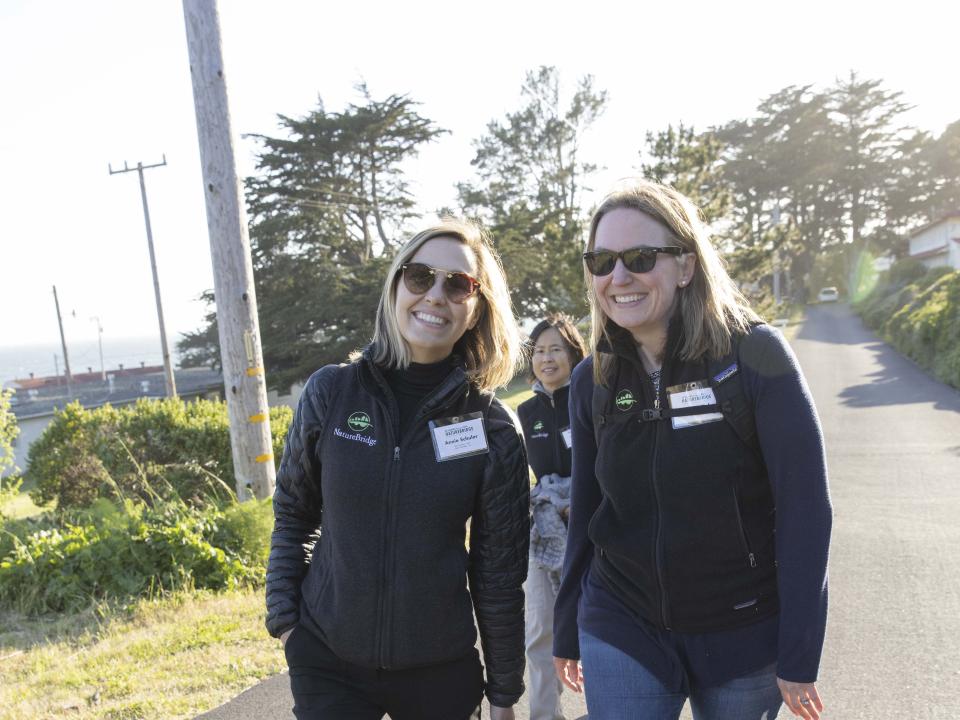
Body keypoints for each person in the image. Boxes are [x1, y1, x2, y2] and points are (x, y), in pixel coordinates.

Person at [552, 181, 832, 720]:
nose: (619, 277)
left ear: (685, 266)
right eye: (602, 261)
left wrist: (799, 650)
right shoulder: (593, 379)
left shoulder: (754, 355)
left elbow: (805, 509)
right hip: (622, 620)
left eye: (639, 257)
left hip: (742, 633)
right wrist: (567, 627)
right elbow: (587, 510)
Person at [266, 218, 530, 720]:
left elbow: (498, 574)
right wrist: (288, 623)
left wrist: (502, 695)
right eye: (419, 276)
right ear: (395, 287)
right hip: (327, 662)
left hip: (440, 672)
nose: (435, 295)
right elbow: (294, 513)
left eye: (458, 285)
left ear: (476, 310)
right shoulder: (331, 393)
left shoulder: (493, 428)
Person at [516, 314, 587, 720]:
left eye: (555, 349)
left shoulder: (594, 396)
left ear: (573, 353)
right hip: (544, 531)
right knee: (540, 630)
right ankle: (545, 715)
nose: (546, 358)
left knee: (597, 628)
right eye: (539, 351)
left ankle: (612, 707)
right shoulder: (527, 412)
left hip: (592, 526)